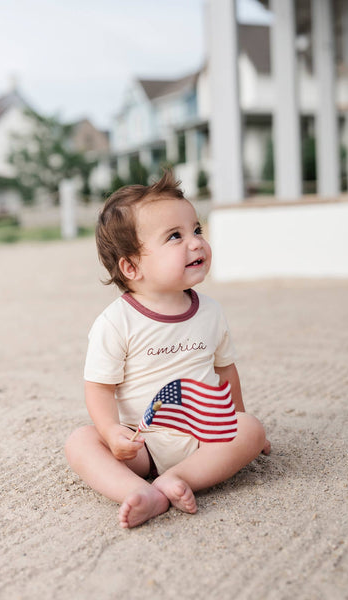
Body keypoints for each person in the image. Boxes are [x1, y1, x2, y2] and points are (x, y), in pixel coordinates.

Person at [65, 171, 270, 529]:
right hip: (140, 443)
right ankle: (137, 490)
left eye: (197, 230)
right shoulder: (117, 322)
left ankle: (177, 479)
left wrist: (237, 418)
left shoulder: (210, 312)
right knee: (81, 442)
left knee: (251, 429)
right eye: (175, 236)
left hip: (204, 437)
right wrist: (112, 432)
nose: (195, 243)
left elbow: (225, 372)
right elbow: (99, 386)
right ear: (132, 266)